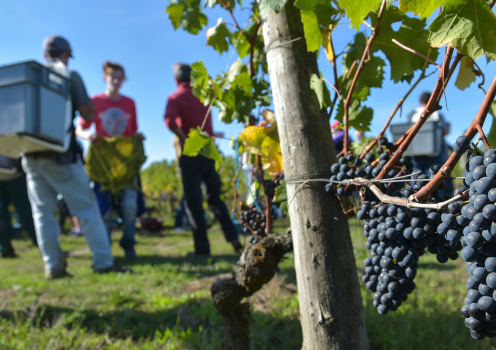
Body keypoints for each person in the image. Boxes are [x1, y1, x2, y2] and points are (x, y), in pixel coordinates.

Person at [22, 35, 128, 279]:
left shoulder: (31, 75)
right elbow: (88, 111)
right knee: (87, 208)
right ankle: (102, 261)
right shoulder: (69, 76)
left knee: (43, 213)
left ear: (46, 54)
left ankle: (53, 266)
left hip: (29, 154)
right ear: (67, 54)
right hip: (61, 155)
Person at [164, 63, 242, 256]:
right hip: (208, 154)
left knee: (194, 201)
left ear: (176, 80)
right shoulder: (203, 97)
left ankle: (202, 249)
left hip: (190, 155)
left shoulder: (175, 97)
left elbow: (169, 122)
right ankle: (233, 239)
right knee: (215, 198)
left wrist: (185, 139)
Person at [76, 61, 145, 259]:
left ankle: (128, 243)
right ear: (105, 78)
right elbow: (80, 128)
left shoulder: (130, 103)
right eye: (112, 77)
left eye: (120, 77)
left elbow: (131, 133)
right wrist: (87, 136)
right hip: (103, 163)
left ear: (124, 80)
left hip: (124, 164)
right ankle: (105, 248)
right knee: (103, 209)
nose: (116, 81)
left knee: (130, 206)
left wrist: (138, 138)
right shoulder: (95, 102)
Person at [407, 92, 453, 196]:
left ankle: (416, 203)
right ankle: (437, 206)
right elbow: (444, 132)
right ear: (432, 101)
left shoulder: (412, 114)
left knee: (416, 180)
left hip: (416, 154)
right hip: (434, 154)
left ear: (420, 102)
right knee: (435, 182)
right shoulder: (437, 114)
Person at [0, 156, 38, 258]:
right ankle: (4, 248)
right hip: (14, 174)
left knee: (27, 212)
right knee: (2, 214)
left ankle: (42, 244)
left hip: (15, 174)